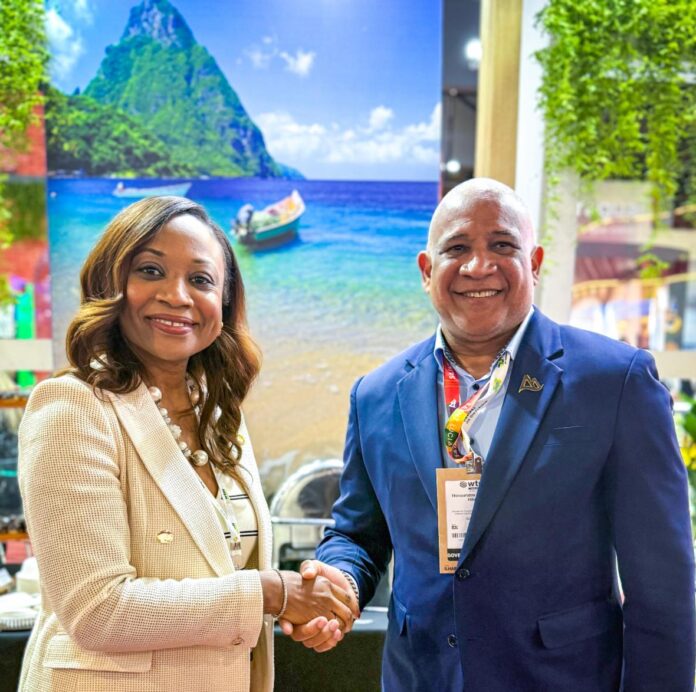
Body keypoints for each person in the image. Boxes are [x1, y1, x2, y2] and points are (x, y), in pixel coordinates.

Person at [283, 178, 696, 690]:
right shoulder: (376, 395)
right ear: (426, 270)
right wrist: (339, 582)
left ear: (534, 263)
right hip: (421, 677)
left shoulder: (615, 382)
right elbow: (358, 533)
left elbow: (662, 582)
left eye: (502, 245)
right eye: (457, 248)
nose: (478, 266)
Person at [17, 196, 356, 692]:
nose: (177, 296)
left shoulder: (218, 413)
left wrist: (305, 606)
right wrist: (272, 593)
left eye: (200, 279)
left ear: (223, 302)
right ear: (111, 282)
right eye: (151, 270)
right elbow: (97, 610)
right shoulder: (72, 408)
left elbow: (226, 568)